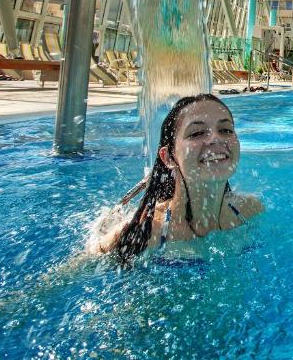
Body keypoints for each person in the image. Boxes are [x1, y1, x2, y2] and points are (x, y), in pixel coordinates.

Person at [91, 94, 263, 264]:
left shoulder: (250, 210)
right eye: (197, 133)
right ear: (168, 157)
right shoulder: (143, 233)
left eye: (225, 130)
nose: (215, 139)